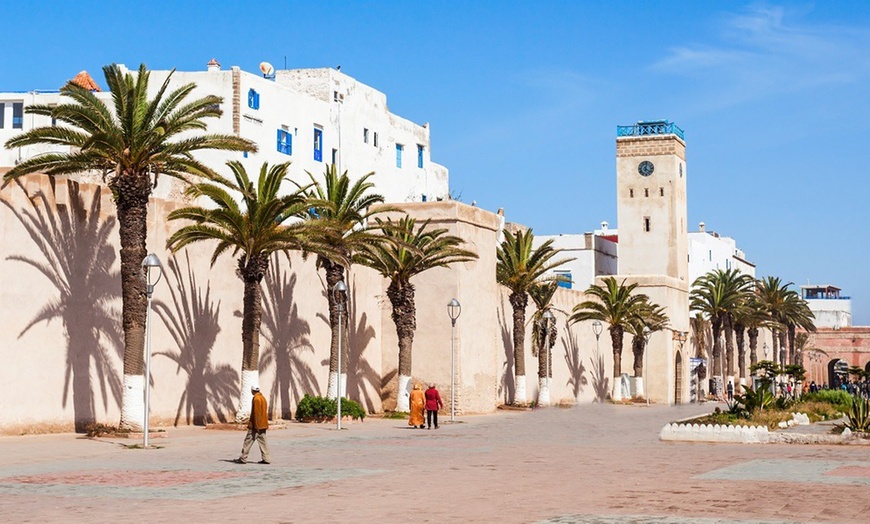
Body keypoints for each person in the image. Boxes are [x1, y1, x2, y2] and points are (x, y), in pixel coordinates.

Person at [236, 384, 271, 464]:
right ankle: (266, 458)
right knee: (263, 442)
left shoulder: (256, 399)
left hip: (256, 426)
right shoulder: (263, 398)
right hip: (263, 425)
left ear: (252, 390)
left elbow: (256, 413)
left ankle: (243, 458)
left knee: (247, 442)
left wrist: (256, 426)